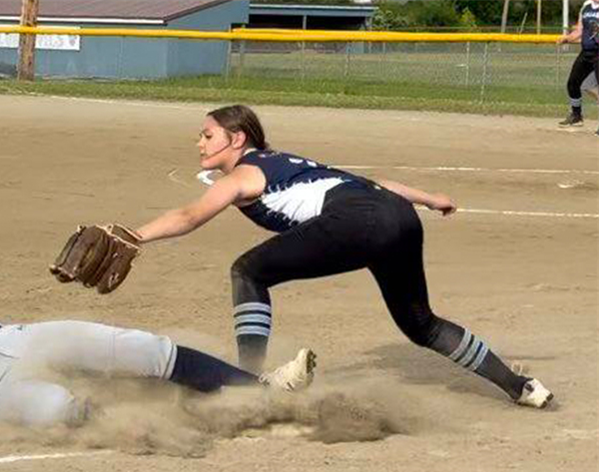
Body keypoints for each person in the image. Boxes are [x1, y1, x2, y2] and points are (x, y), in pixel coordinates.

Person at [126, 105, 552, 408]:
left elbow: (190, 215)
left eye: (207, 134)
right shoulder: (290, 163)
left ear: (236, 138)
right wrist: (428, 199)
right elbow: (372, 183)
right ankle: (520, 386)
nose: (199, 142)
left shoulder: (244, 172)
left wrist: (133, 236)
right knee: (422, 325)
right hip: (397, 217)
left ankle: (244, 382)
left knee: (248, 271)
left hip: (359, 221)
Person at [0, 225, 316, 427]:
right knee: (69, 412)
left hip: (13, 339)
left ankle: (264, 389)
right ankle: (208, 417)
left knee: (136, 348)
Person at [557, 0, 599, 135]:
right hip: (586, 53)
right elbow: (580, 30)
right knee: (573, 82)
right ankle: (576, 115)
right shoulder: (586, 7)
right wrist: (568, 38)